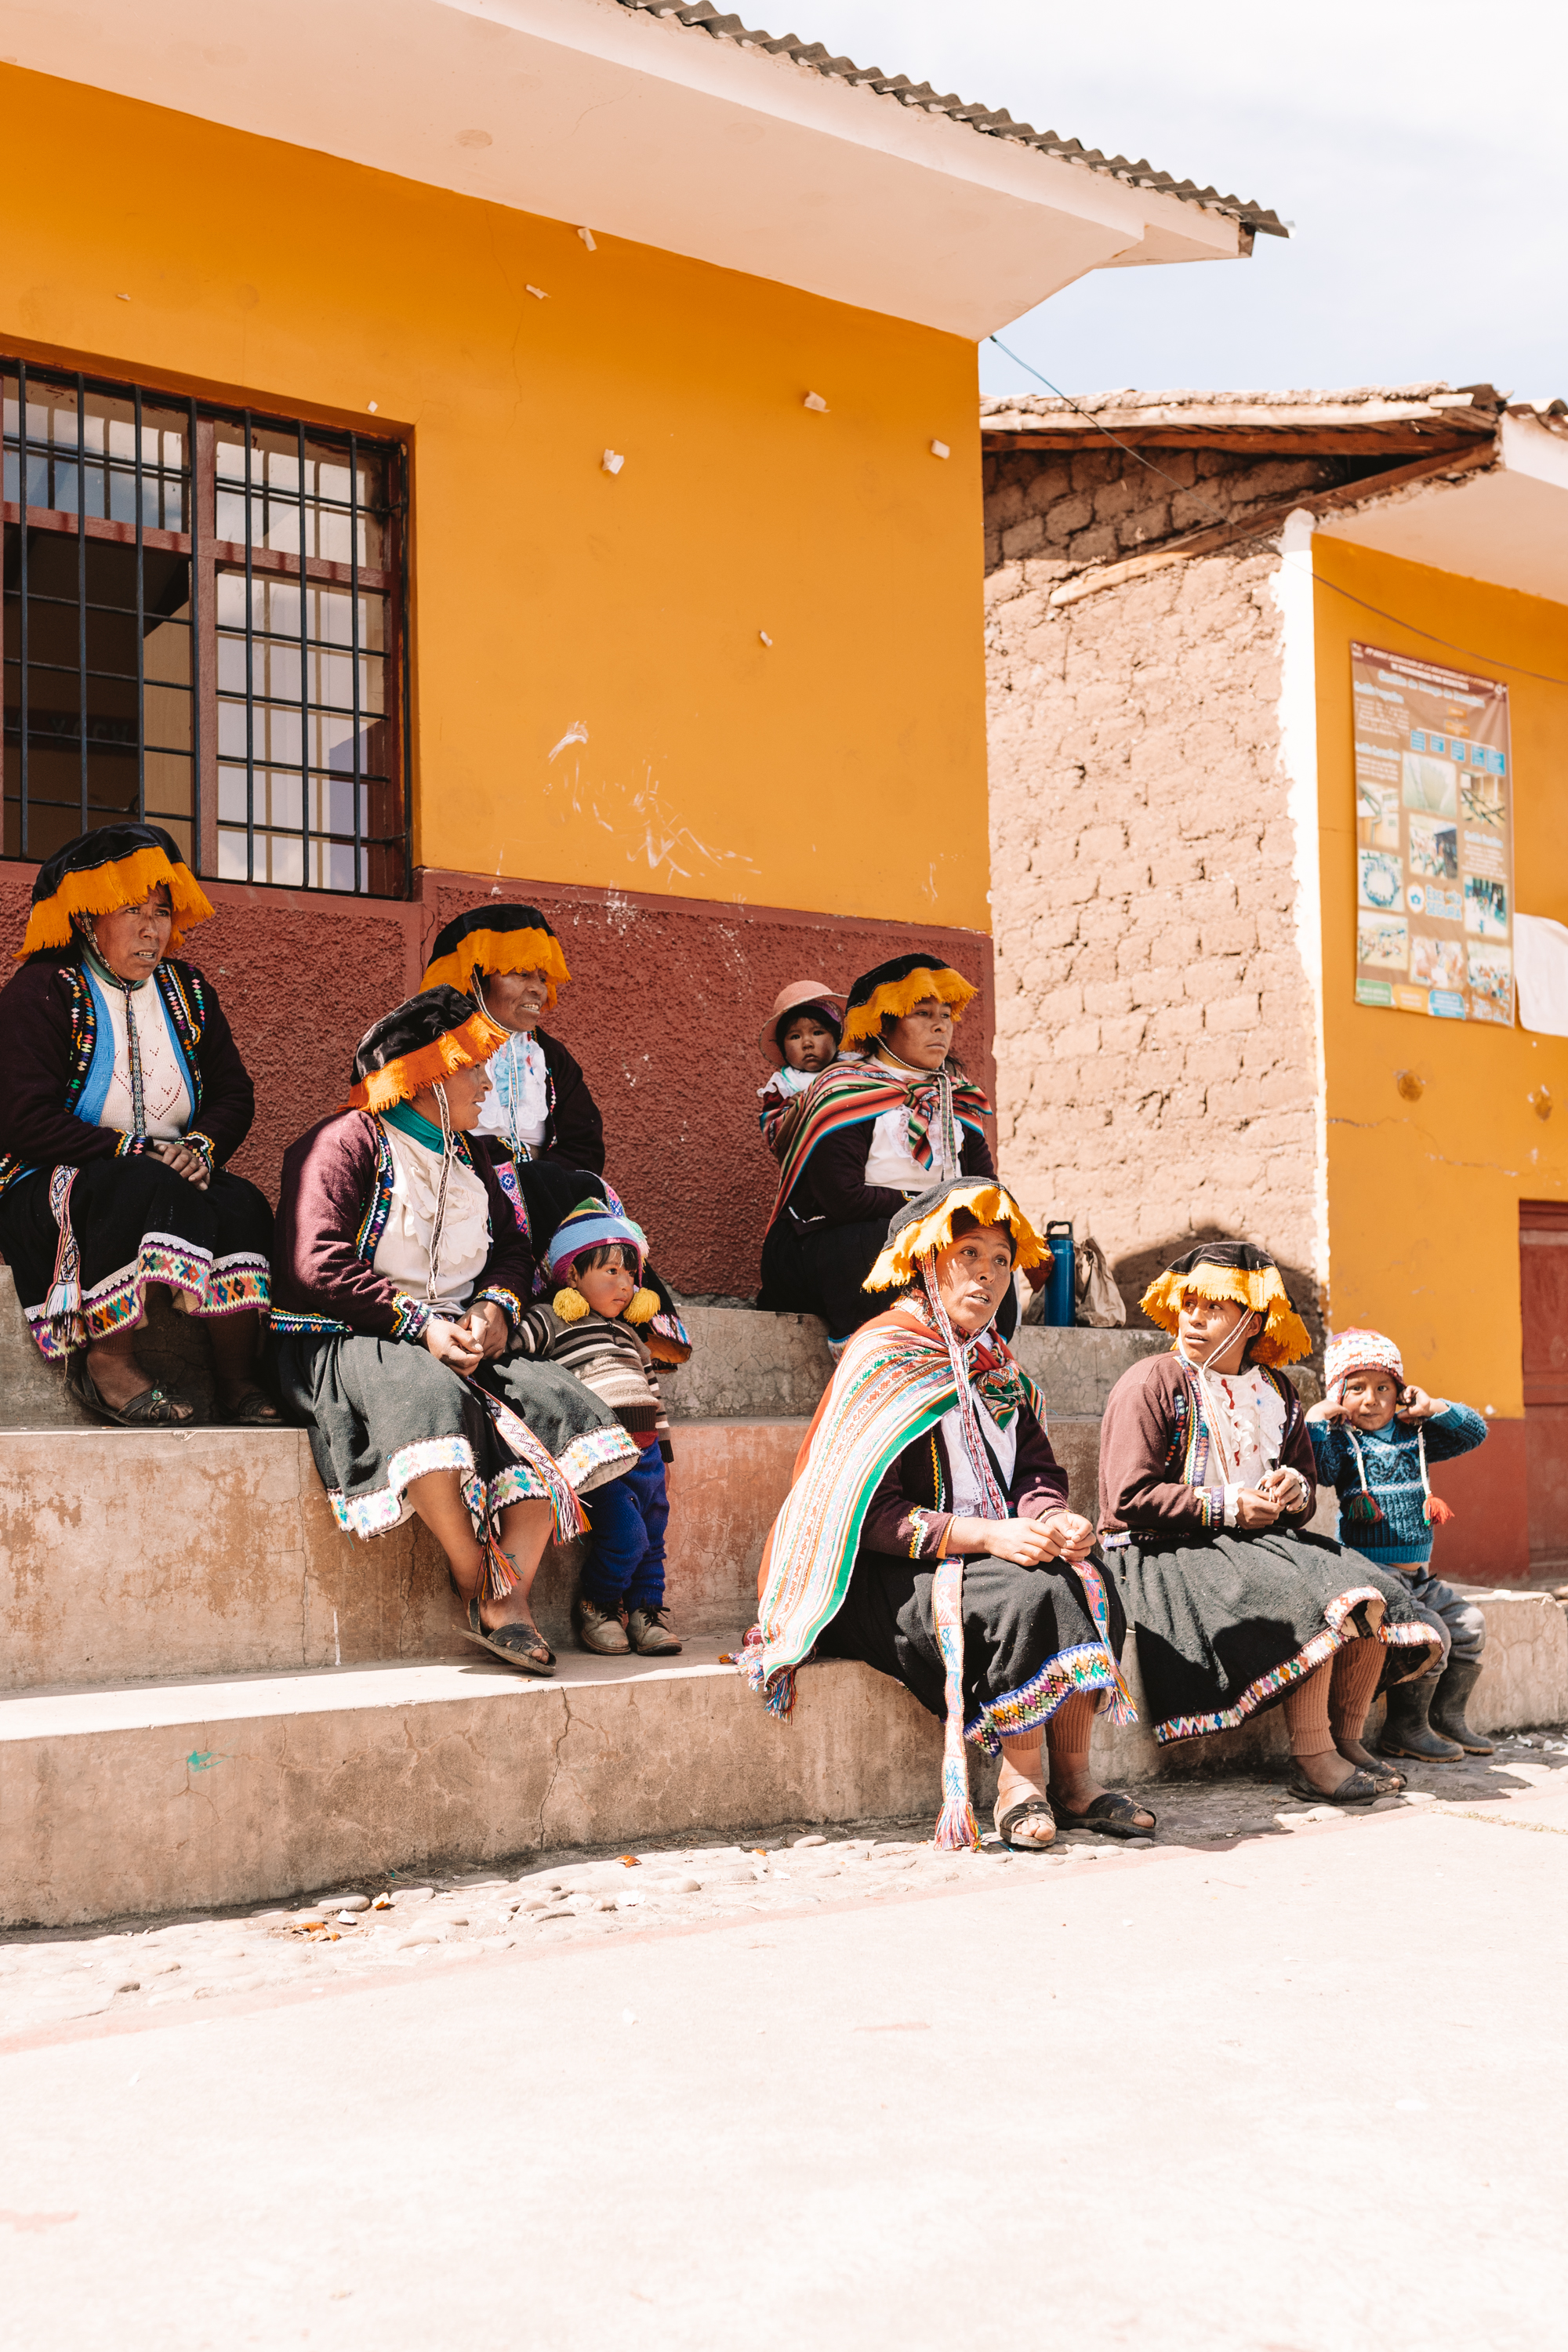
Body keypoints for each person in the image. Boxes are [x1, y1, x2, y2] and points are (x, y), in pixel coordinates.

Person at [744, 1178, 1153, 1851]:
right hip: (876, 1574)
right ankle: (1021, 1787)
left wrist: (1053, 1517)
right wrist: (990, 1534)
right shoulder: (885, 1356)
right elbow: (865, 1514)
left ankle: (1077, 1782)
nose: (989, 1276)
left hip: (982, 1551)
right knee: (1027, 1592)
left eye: (1001, 1260)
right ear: (927, 1261)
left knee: (1088, 1573)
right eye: (969, 1254)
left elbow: (1036, 1472)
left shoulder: (997, 1365)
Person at [270, 986, 641, 1675]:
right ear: (430, 1076)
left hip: (454, 1339)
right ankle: (477, 1576)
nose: (487, 1083)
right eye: (473, 1069)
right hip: (354, 1335)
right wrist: (420, 1326)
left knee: (555, 1400)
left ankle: (513, 1598)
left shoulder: (476, 1158)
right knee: (429, 1399)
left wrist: (494, 1309)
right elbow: (313, 1260)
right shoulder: (342, 1142)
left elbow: (512, 1249)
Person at [1099, 1243, 1443, 1803]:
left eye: (1214, 1308)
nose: (1193, 1318)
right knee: (1303, 1596)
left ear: (1253, 1320)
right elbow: (1127, 1497)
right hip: (1162, 1550)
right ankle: (1312, 1755)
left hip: (1254, 1542)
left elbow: (1305, 1491)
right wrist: (1229, 1506)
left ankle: (1348, 1739)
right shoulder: (1152, 1382)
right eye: (1189, 1304)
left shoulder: (1277, 1391)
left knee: (1373, 1584)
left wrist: (1292, 1492)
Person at [0, 821, 275, 1428]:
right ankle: (110, 1363)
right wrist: (131, 1149)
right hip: (57, 1182)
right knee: (137, 1184)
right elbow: (21, 1118)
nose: (154, 929)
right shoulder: (44, 990)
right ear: (85, 918)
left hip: (168, 1172)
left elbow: (233, 1090)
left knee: (242, 1202)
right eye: (133, 911)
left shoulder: (190, 991)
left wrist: (200, 1148)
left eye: (162, 912)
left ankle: (236, 1378)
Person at [764, 952, 1012, 1352]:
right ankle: (877, 1360)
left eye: (946, 1015)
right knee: (881, 1240)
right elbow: (842, 1198)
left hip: (923, 1235)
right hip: (837, 1243)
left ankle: (972, 1359)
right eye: (922, 1014)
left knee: (990, 1249)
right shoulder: (845, 1088)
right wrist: (927, 1208)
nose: (939, 1026)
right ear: (883, 1024)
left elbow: (987, 1193)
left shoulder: (960, 1099)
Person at [508, 1198, 681, 1658]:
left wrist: (663, 1456)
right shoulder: (549, 1320)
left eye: (630, 1275)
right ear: (571, 1276)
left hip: (644, 1454)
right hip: (599, 1457)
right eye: (611, 1272)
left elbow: (652, 1396)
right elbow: (509, 1350)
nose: (625, 1285)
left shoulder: (628, 1335)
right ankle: (598, 1603)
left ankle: (647, 1610)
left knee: (654, 1537)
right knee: (628, 1535)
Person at [1308, 1328, 1491, 1762]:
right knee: (1437, 1635)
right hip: (1377, 1576)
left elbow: (1474, 1433)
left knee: (1472, 1626)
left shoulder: (1418, 1436)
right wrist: (1318, 1422)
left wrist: (1435, 1408)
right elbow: (1321, 1471)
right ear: (1339, 1394)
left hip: (1420, 1578)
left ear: (1400, 1393)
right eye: (1356, 1389)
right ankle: (1406, 1728)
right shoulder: (1343, 1443)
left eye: (1383, 1387)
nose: (1371, 1399)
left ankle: (1448, 1718)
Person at [421, 902, 604, 1174]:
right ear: (475, 979)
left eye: (542, 978)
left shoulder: (551, 1057)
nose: (538, 990)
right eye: (522, 974)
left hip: (545, 1193)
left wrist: (536, 1182)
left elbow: (584, 1145)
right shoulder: (433, 1050)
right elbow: (422, 1136)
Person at [753, 979, 844, 1316]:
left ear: (836, 1039)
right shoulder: (783, 1086)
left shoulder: (855, 1075)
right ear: (783, 1047)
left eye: (818, 1032)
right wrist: (810, 1105)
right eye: (795, 1036)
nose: (807, 1042)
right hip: (806, 1183)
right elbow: (775, 1135)